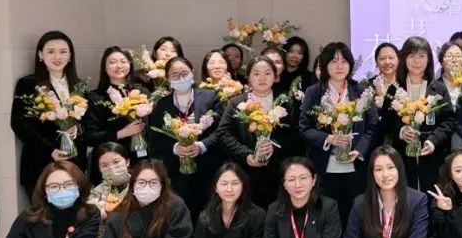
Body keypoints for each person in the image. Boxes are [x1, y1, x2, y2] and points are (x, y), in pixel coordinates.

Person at [299, 41, 373, 226]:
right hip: (325, 166)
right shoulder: (314, 92)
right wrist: (328, 138)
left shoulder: (361, 91)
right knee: (326, 215)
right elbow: (304, 128)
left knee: (354, 215)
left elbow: (373, 126)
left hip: (354, 165)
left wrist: (360, 149)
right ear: (324, 65)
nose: (340, 66)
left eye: (344, 61)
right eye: (334, 61)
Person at [11, 31, 88, 197]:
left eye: (63, 51)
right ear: (40, 55)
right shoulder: (28, 84)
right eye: (51, 51)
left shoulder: (79, 85)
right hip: (40, 162)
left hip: (74, 163)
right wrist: (50, 149)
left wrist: (78, 129)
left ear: (70, 56)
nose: (57, 57)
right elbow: (19, 123)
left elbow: (87, 121)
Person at [150, 57, 224, 221]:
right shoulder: (162, 104)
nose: (181, 78)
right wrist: (175, 147)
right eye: (175, 75)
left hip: (207, 168)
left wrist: (202, 145)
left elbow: (222, 131)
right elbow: (155, 138)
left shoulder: (210, 97)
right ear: (168, 78)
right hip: (176, 172)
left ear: (192, 73)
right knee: (180, 214)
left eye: (184, 73)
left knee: (209, 214)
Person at [216, 56, 294, 208]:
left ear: (275, 76)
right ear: (249, 77)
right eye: (256, 73)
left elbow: (294, 135)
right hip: (245, 170)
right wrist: (246, 154)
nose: (262, 78)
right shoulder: (237, 103)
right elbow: (223, 133)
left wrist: (274, 146)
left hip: (277, 169)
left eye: (267, 73)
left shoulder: (285, 102)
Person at [387, 36, 456, 191]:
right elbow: (387, 121)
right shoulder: (394, 89)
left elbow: (449, 121)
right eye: (412, 56)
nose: (417, 61)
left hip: (432, 157)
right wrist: (401, 131)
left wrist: (433, 141)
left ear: (428, 59)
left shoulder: (438, 88)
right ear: (404, 59)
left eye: (421, 56)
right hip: (402, 157)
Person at [82, 46, 149, 159]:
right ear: (104, 67)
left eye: (123, 61)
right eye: (112, 62)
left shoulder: (142, 91)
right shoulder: (95, 97)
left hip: (142, 157)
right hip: (110, 159)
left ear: (130, 65)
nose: (119, 66)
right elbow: (90, 137)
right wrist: (121, 133)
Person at [437, 40, 462, 152]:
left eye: (458, 56)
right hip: (441, 144)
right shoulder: (433, 87)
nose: (454, 60)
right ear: (441, 61)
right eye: (450, 56)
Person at [87, 142, 132, 218]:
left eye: (116, 162)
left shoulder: (139, 186)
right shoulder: (97, 192)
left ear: (127, 162)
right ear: (99, 169)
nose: (111, 168)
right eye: (104, 165)